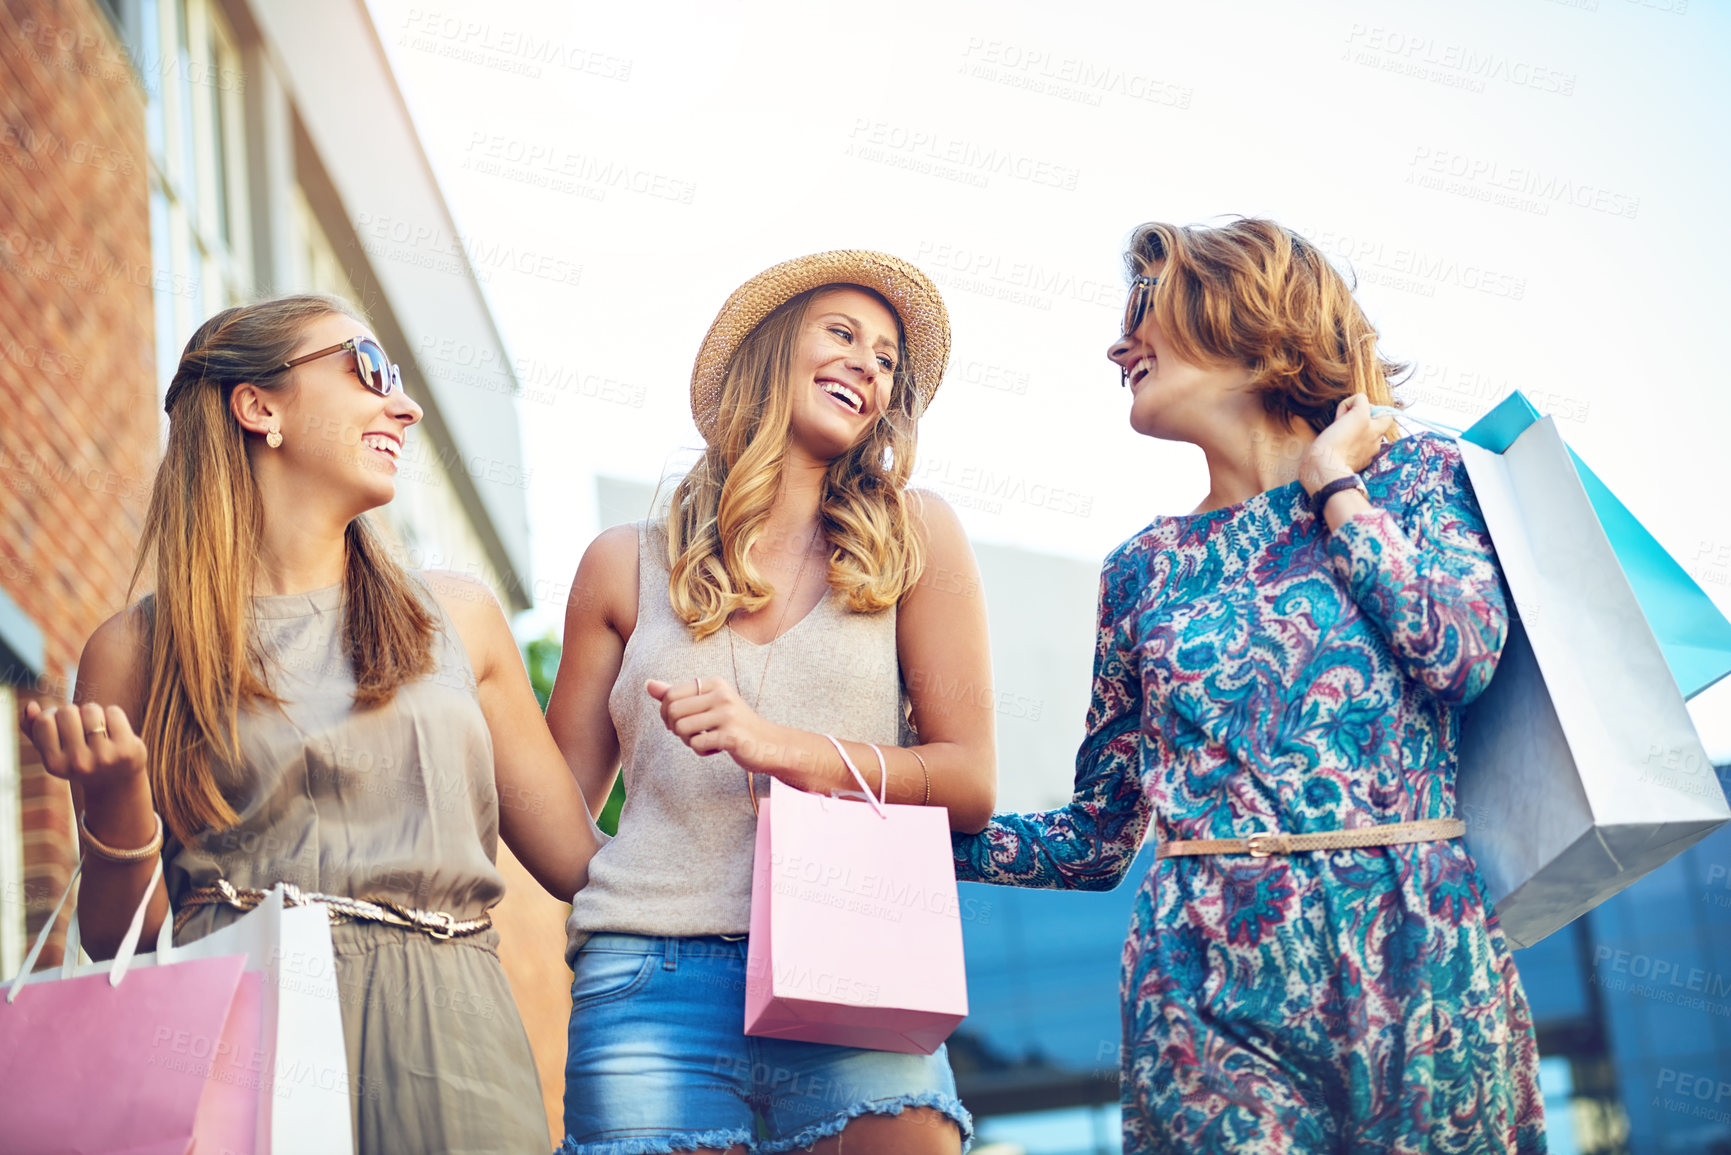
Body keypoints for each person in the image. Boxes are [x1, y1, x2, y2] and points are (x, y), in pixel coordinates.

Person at [951, 219, 1546, 1153]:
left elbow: (1458, 652)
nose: (1118, 343)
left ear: (1253, 321)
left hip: (1423, 959)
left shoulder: (1419, 480)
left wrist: (1332, 487)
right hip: (1203, 984)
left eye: (1145, 310)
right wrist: (891, 818)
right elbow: (1099, 840)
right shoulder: (1143, 569)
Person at [19, 295, 604, 1154]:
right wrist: (115, 799)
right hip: (236, 1049)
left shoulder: (459, 618)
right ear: (260, 407)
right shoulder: (136, 649)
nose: (401, 405)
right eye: (369, 369)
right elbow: (121, 946)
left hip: (453, 1050)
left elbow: (582, 864)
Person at [547, 251, 995, 1154]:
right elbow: (555, 808)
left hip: (858, 953)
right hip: (648, 977)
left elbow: (969, 780)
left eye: (885, 360)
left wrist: (783, 748)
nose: (867, 365)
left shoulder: (916, 537)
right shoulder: (619, 564)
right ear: (769, 352)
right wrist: (643, 883)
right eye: (842, 334)